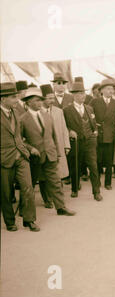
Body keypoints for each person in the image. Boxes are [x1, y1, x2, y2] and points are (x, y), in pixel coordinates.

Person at [20, 88, 75, 217]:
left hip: (50, 155)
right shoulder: (22, 119)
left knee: (56, 182)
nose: (39, 103)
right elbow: (20, 140)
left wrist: (57, 152)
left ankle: (61, 207)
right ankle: (23, 209)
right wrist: (30, 148)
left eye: (40, 100)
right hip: (34, 157)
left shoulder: (47, 116)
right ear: (28, 102)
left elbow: (54, 136)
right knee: (30, 185)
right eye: (36, 101)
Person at [0, 82, 39, 232]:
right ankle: (10, 221)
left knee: (28, 187)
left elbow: (19, 136)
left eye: (16, 96)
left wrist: (26, 149)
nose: (17, 100)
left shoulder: (16, 112)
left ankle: (29, 220)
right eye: (13, 97)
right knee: (6, 192)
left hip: (21, 156)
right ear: (3, 99)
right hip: (4, 158)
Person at [63, 82, 102, 201]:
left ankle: (96, 192)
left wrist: (95, 132)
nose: (83, 96)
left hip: (89, 141)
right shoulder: (67, 110)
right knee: (75, 166)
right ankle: (74, 189)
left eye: (83, 93)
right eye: (80, 93)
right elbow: (64, 126)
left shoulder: (89, 108)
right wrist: (70, 131)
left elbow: (93, 123)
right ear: (74, 95)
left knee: (93, 166)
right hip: (76, 142)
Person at [39, 84, 71, 206]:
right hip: (45, 148)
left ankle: (58, 198)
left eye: (53, 98)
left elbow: (64, 129)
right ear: (42, 99)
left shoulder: (59, 111)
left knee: (58, 173)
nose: (52, 101)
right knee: (44, 175)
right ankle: (47, 199)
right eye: (49, 98)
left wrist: (66, 145)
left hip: (58, 146)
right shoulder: (38, 112)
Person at [90, 79, 115, 190]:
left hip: (110, 135)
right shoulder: (95, 102)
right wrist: (94, 127)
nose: (110, 91)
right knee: (97, 160)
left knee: (109, 161)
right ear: (102, 90)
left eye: (112, 89)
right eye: (108, 89)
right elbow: (90, 115)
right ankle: (97, 182)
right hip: (98, 135)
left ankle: (108, 183)